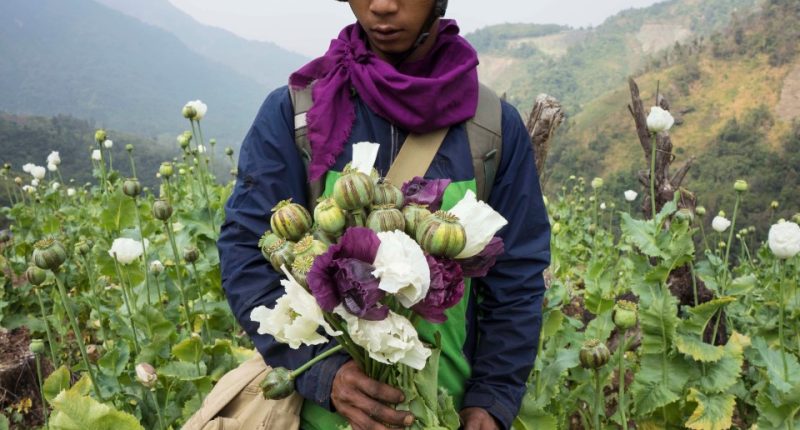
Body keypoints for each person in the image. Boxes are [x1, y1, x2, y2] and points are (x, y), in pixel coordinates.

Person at [217, 1, 551, 429]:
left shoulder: (491, 129)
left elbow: (517, 279)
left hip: (445, 412)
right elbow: (247, 251)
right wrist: (323, 372)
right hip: (321, 416)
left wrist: (491, 399)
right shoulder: (297, 115)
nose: (382, 5)